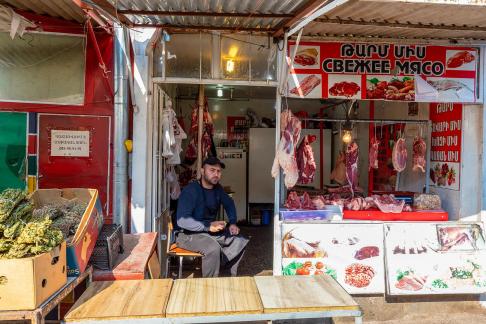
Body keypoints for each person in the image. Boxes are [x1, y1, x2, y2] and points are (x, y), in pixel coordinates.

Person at [175, 156, 249, 277]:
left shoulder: (218, 189)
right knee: (212, 248)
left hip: (209, 232)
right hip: (187, 235)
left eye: (218, 171)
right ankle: (210, 284)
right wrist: (208, 226)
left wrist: (233, 223)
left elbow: (229, 203)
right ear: (202, 171)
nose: (216, 174)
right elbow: (182, 221)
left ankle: (229, 277)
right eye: (212, 170)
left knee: (239, 240)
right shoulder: (190, 191)